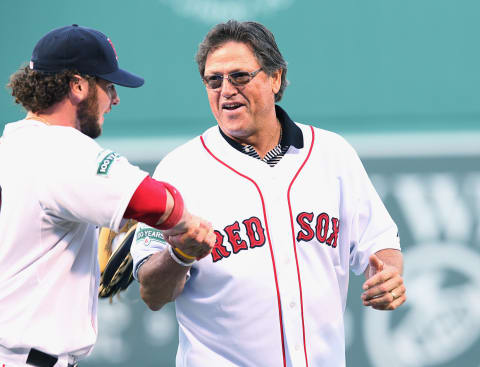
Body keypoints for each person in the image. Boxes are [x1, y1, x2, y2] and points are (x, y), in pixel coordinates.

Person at [130, 20, 406, 367]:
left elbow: (380, 243)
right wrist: (179, 256)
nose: (225, 89)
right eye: (213, 80)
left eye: (239, 76)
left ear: (275, 78)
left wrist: (389, 275)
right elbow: (152, 293)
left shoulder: (332, 155)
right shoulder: (179, 169)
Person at [0, 24, 214, 367]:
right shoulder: (59, 148)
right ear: (79, 86)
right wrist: (189, 225)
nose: (114, 99)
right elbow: (155, 202)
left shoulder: (12, 145)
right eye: (108, 85)